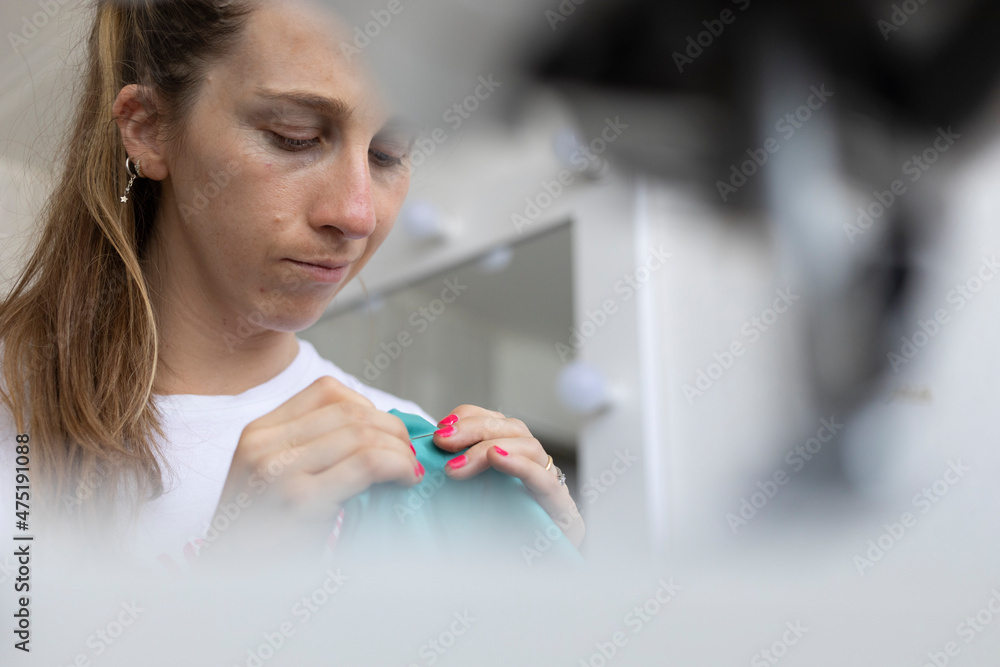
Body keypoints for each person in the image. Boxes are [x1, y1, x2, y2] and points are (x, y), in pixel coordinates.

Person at [0, 0, 584, 571]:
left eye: (388, 154)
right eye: (295, 136)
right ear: (148, 129)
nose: (356, 215)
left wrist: (557, 596)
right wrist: (227, 585)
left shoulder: (402, 453)